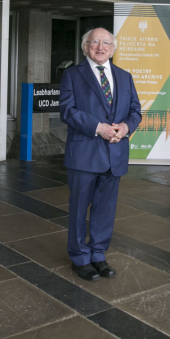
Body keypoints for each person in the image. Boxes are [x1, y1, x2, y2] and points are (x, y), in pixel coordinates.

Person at [60, 27, 141, 281]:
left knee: (105, 210)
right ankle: (79, 257)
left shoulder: (124, 77)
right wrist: (99, 128)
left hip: (114, 153)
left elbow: (135, 110)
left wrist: (126, 127)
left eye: (106, 42)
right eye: (94, 42)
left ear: (113, 48)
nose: (100, 47)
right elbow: (68, 111)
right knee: (79, 209)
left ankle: (98, 254)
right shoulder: (72, 75)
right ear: (85, 47)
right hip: (84, 154)